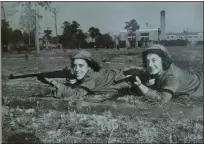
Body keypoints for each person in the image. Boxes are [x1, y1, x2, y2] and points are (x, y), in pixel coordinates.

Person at [38, 50, 132, 101]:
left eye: (81, 66)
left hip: (129, 78)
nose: (77, 69)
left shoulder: (91, 78)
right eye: (75, 66)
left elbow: (75, 95)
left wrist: (54, 83)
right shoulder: (90, 73)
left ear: (89, 67)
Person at [130, 44, 203, 103]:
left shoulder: (171, 77)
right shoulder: (159, 68)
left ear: (163, 60)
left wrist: (141, 86)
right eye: (148, 61)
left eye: (154, 60)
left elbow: (162, 100)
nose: (149, 65)